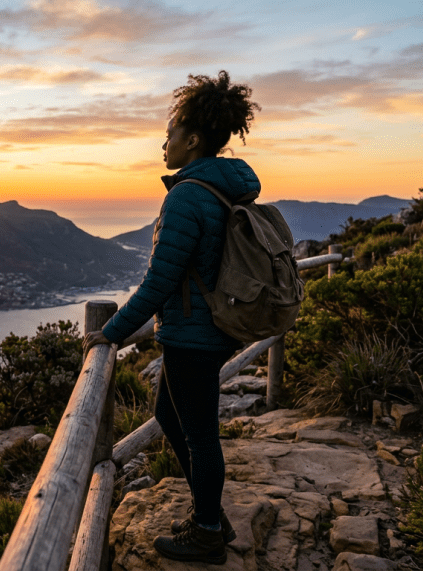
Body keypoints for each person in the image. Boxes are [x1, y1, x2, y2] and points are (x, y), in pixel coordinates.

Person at [83, 70, 261, 565]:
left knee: (201, 433)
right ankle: (211, 514)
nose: (164, 143)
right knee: (168, 415)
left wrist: (110, 335)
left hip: (193, 336)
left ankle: (207, 530)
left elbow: (160, 283)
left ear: (194, 139)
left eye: (171, 134)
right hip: (209, 329)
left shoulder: (187, 195)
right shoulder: (225, 189)